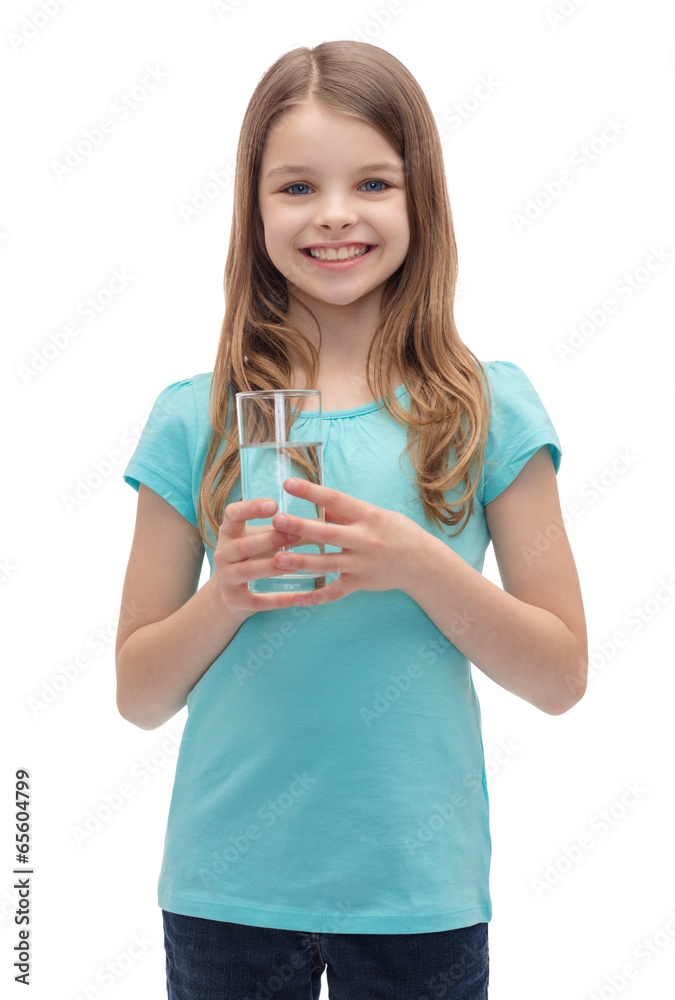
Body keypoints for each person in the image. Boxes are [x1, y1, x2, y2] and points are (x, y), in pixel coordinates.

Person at [116, 40, 588, 1000]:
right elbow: (137, 695)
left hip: (418, 897)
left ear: (422, 201)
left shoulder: (484, 411)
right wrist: (227, 597)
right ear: (253, 210)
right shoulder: (195, 417)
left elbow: (560, 675)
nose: (334, 214)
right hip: (227, 894)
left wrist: (418, 560)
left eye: (372, 181)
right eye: (297, 187)